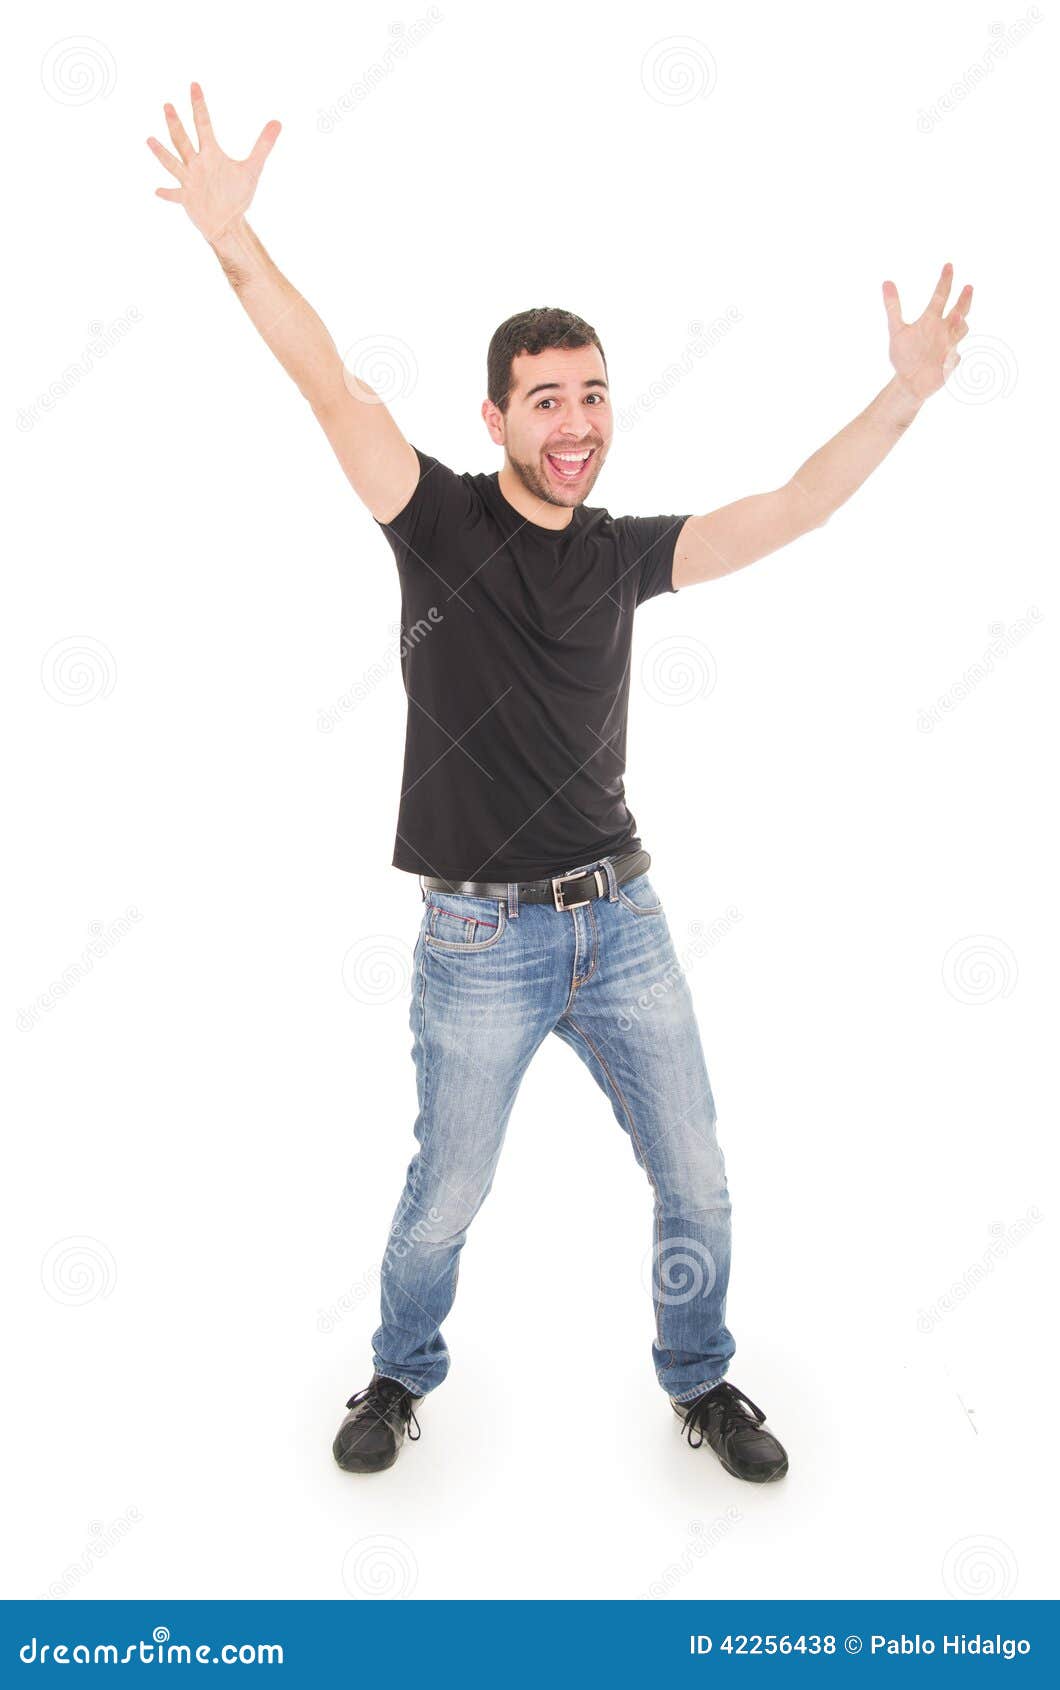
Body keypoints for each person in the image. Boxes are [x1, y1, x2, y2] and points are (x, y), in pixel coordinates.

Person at [148, 83, 972, 1487]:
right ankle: (402, 1371)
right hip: (477, 939)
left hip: (624, 920)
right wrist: (238, 245)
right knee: (448, 1191)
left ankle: (700, 1376)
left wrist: (903, 391)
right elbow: (332, 383)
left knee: (699, 1178)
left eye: (594, 394)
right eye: (549, 399)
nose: (577, 420)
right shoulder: (438, 519)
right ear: (500, 413)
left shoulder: (622, 550)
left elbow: (793, 506)